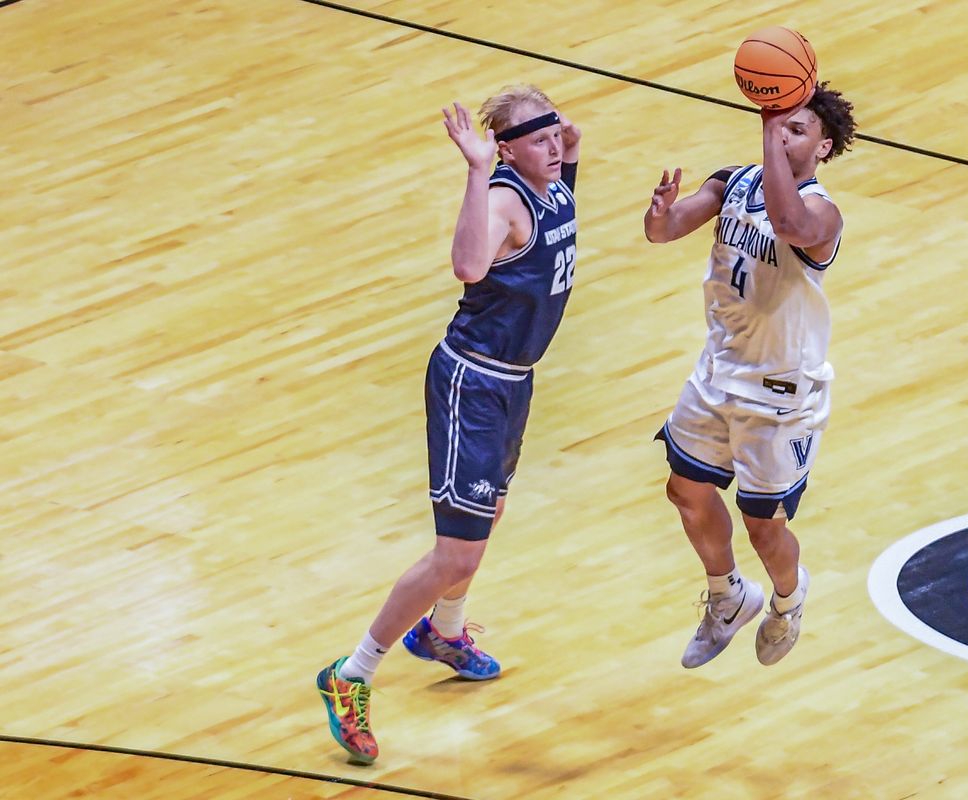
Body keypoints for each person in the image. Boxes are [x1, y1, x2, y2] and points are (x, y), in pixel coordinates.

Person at [317, 84, 581, 764]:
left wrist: (559, 136)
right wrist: (475, 170)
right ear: (507, 151)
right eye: (538, 141)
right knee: (456, 553)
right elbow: (468, 266)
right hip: (474, 382)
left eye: (556, 135)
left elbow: (565, 149)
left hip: (514, 380)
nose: (554, 147)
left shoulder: (555, 181)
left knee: (489, 514)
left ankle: (444, 631)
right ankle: (352, 674)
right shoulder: (503, 200)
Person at [643, 82, 856, 669]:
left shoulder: (822, 212)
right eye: (778, 124)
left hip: (780, 392)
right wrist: (659, 212)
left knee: (763, 526)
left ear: (824, 147)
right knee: (685, 489)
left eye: (796, 129)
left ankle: (788, 599)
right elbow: (663, 232)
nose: (782, 135)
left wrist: (767, 127)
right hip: (718, 371)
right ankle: (728, 595)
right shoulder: (732, 183)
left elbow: (788, 223)